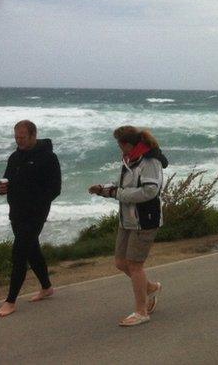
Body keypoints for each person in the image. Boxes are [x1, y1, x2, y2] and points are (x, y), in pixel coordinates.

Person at [89, 125, 168, 327]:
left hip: (145, 219)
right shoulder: (130, 159)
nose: (118, 148)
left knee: (134, 265)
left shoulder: (149, 161)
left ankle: (141, 311)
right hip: (127, 219)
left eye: (119, 144)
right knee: (120, 262)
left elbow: (150, 191)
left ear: (127, 144)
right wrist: (104, 190)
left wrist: (117, 194)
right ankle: (150, 288)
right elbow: (121, 186)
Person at [0, 120, 61, 318]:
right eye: (16, 137)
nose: (19, 141)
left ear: (33, 135)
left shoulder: (48, 157)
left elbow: (55, 189)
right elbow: (7, 182)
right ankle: (47, 287)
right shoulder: (15, 157)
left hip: (35, 213)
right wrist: (1, 189)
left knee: (19, 252)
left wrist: (36, 202)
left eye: (22, 137)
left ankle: (10, 301)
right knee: (32, 250)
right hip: (16, 211)